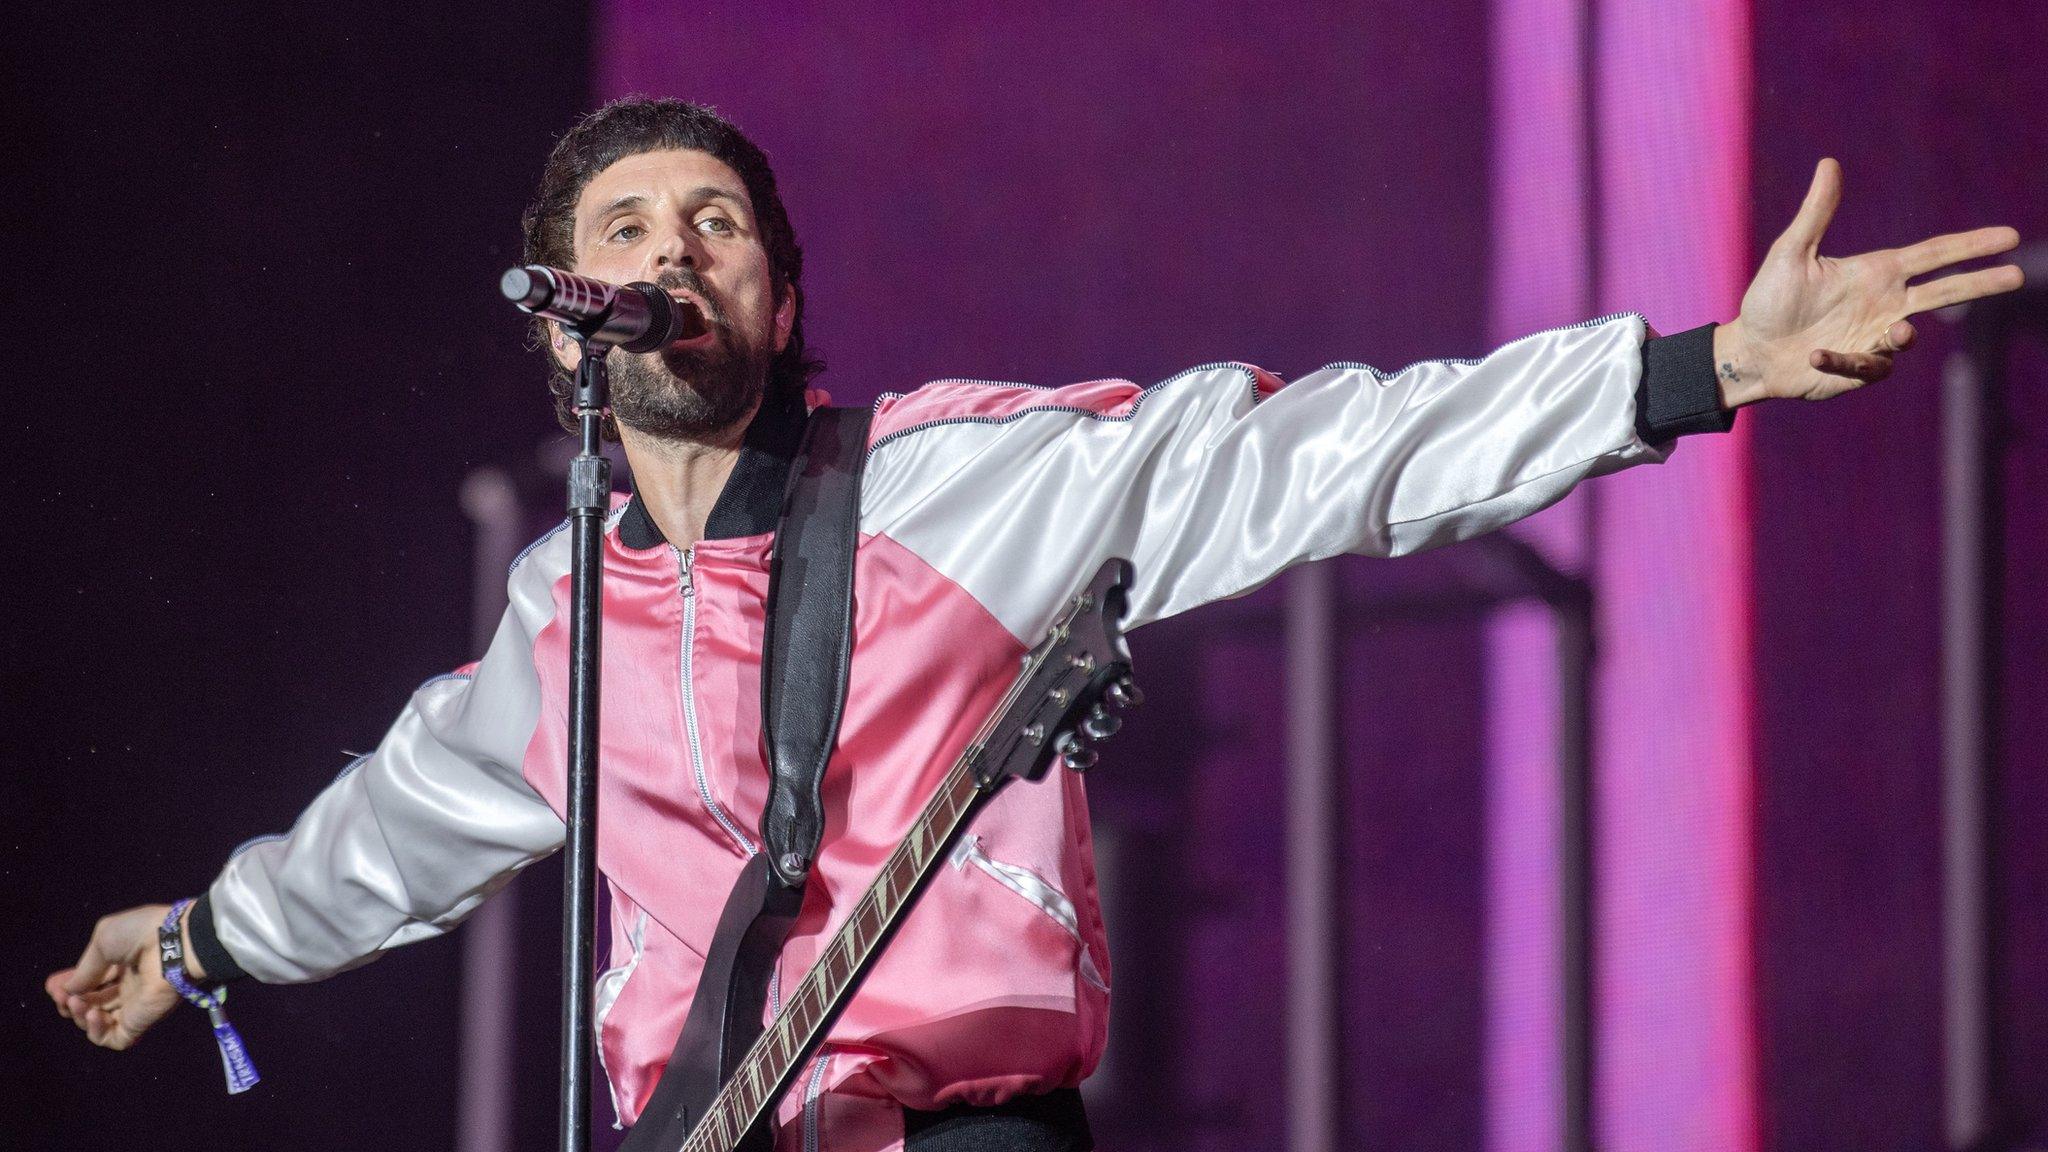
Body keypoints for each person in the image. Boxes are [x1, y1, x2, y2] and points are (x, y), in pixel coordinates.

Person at [45, 97, 2024, 1151]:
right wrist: (205, 939)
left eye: (715, 221)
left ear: (781, 295)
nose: (673, 252)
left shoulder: (962, 482)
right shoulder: (563, 606)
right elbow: (400, 826)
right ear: (564, 307)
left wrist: (1695, 367)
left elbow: (1342, 450)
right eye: (627, 230)